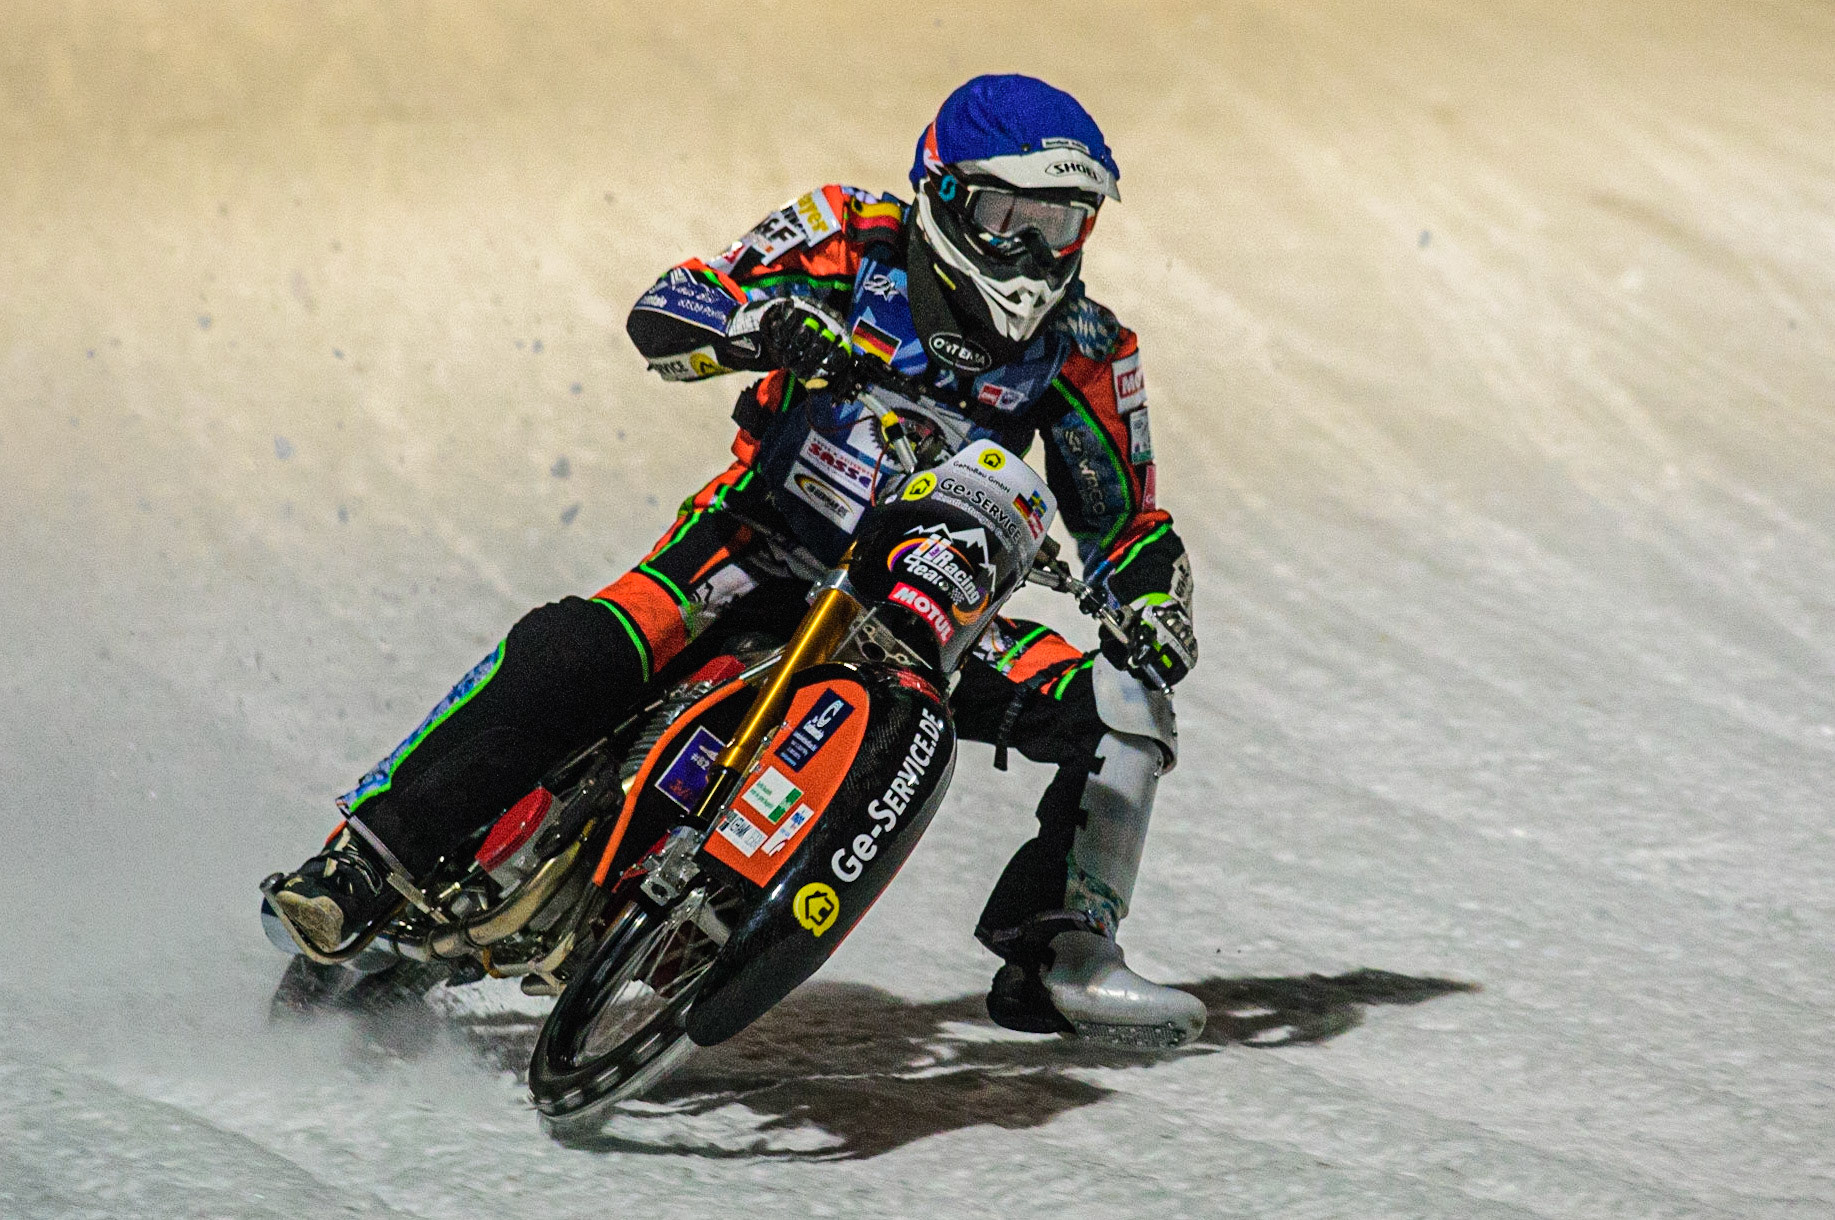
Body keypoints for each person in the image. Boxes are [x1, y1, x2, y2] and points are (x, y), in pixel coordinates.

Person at [270, 74, 1204, 1045]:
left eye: (1061, 224)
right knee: (573, 649)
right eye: (1007, 213)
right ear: (940, 193)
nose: (1031, 251)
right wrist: (758, 324)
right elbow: (673, 305)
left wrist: (1152, 603)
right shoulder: (848, 234)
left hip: (940, 613)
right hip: (754, 548)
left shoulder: (1089, 347)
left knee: (1124, 705)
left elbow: (1124, 524)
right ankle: (364, 858)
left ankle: (1066, 946)